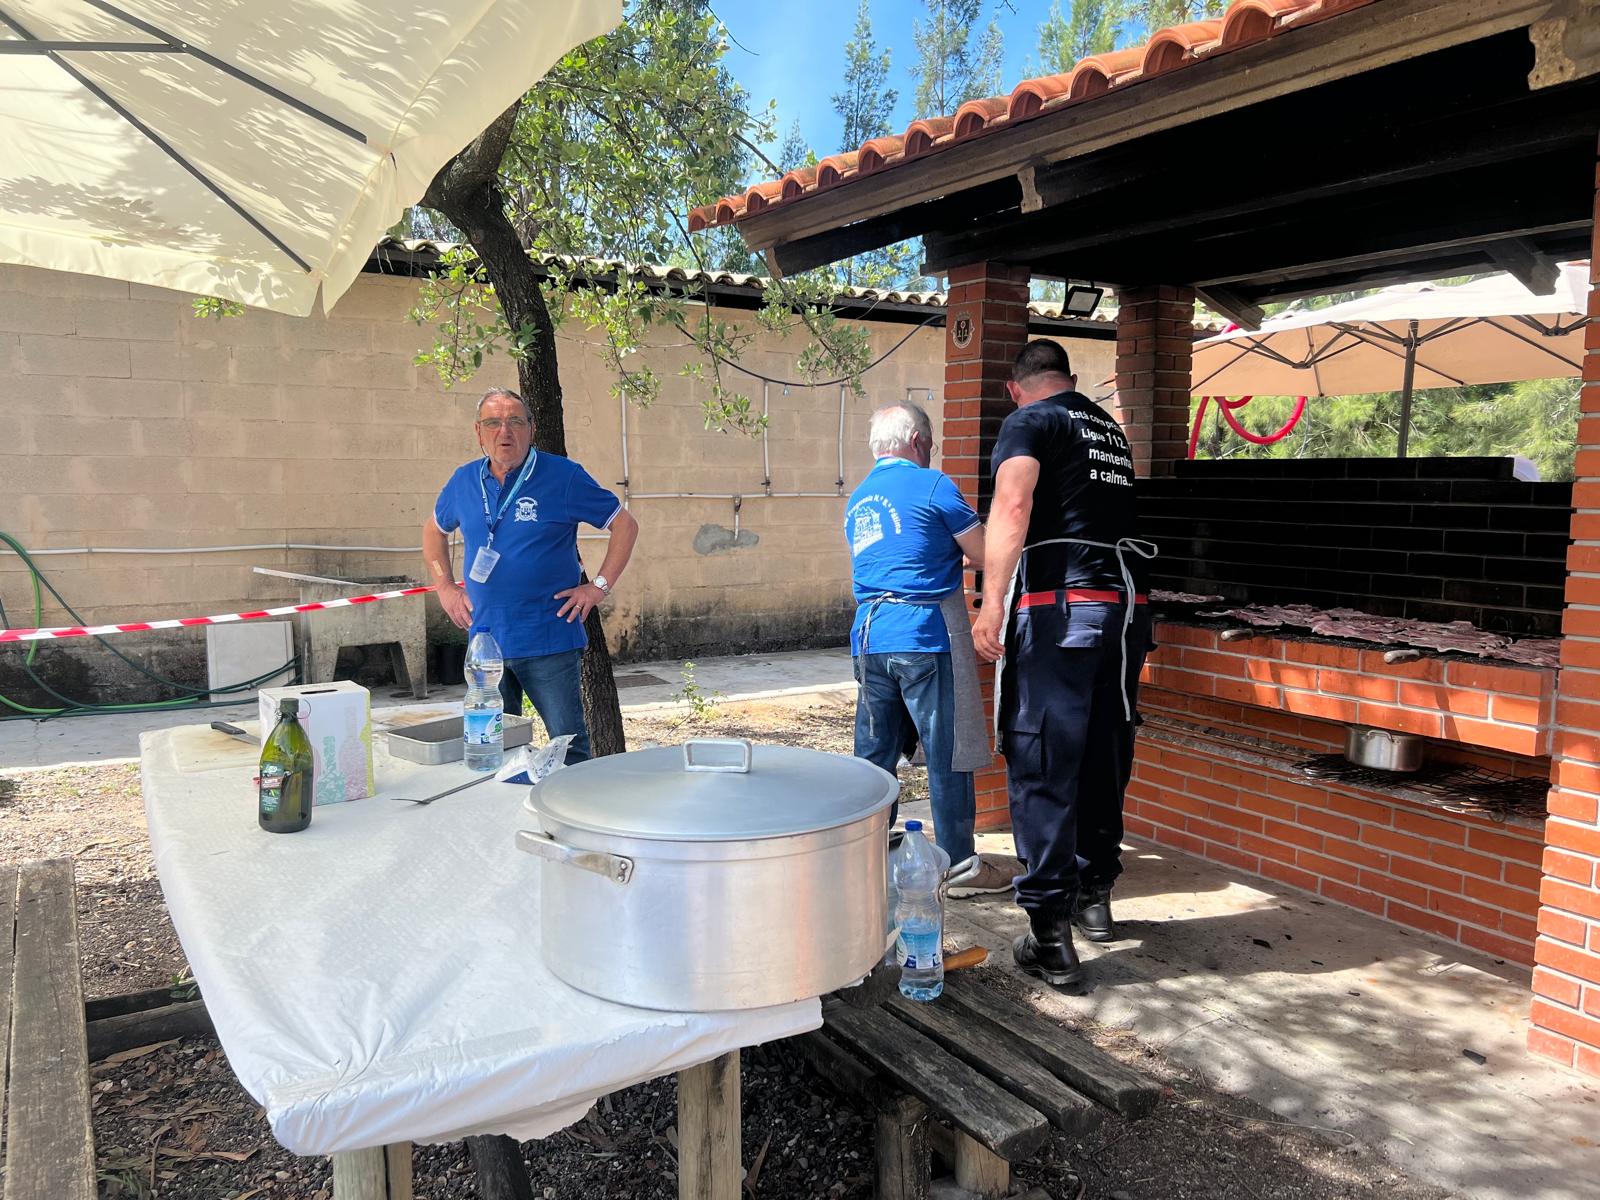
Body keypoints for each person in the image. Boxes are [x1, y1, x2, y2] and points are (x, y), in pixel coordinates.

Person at [972, 341, 1155, 986]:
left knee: (1043, 758)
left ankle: (1050, 935)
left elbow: (1012, 504)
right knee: (1105, 752)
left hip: (1061, 613)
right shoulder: (1107, 429)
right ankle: (1095, 897)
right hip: (1123, 616)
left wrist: (992, 603)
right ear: (1071, 379)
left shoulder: (1030, 421)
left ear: (1015, 390)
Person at [845, 401, 1012, 896]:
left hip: (869, 639)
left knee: (874, 757)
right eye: (931, 443)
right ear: (918, 441)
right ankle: (959, 866)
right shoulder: (934, 484)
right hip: (922, 636)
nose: (932, 450)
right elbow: (985, 552)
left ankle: (866, 860)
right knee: (947, 753)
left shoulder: (858, 498)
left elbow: (893, 557)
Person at [423, 387, 639, 763]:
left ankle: (569, 802)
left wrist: (597, 588)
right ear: (478, 431)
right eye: (493, 422)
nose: (504, 431)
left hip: (548, 640)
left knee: (569, 748)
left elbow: (624, 525)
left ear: (531, 428)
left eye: (515, 422)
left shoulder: (563, 477)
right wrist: (444, 586)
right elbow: (433, 531)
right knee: (491, 748)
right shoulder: (464, 481)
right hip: (485, 642)